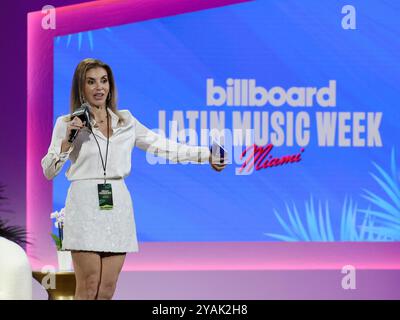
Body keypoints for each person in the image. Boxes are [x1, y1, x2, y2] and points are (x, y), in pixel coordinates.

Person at [41, 58, 227, 300]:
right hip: (84, 204)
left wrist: (206, 155)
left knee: (106, 290)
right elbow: (48, 170)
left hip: (117, 205)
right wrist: (68, 140)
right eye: (91, 82)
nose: (99, 88)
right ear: (81, 87)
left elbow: (161, 146)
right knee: (88, 286)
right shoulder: (66, 124)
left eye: (104, 81)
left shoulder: (126, 122)